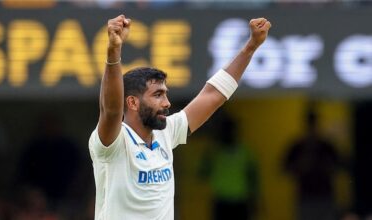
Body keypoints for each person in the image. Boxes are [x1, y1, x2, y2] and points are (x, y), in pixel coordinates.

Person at [88, 14, 271, 219]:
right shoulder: (113, 142)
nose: (167, 103)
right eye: (158, 95)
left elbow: (212, 95)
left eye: (166, 94)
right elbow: (111, 110)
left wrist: (251, 47)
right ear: (132, 102)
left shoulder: (166, 132)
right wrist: (113, 51)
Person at [199, 110, 260, 220]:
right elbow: (202, 174)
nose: (228, 133)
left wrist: (254, 200)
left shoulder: (245, 151)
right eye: (225, 130)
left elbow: (253, 178)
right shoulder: (214, 152)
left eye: (230, 130)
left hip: (241, 201)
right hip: (221, 201)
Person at [284, 108, 340, 220]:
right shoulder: (298, 146)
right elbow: (285, 168)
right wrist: (301, 165)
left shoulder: (326, 146)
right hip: (306, 197)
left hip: (324, 196)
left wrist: (325, 166)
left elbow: (338, 166)